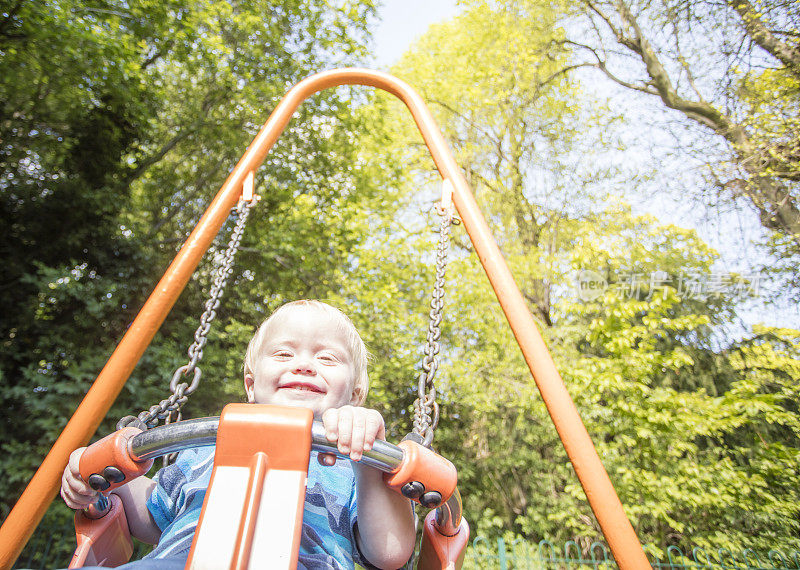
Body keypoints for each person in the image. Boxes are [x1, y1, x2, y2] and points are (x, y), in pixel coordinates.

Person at [60, 300, 417, 569]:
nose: (304, 364)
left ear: (354, 395)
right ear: (251, 384)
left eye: (327, 359)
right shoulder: (207, 446)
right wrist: (101, 472)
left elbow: (390, 552)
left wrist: (369, 460)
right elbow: (153, 517)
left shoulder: (349, 465)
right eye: (283, 353)